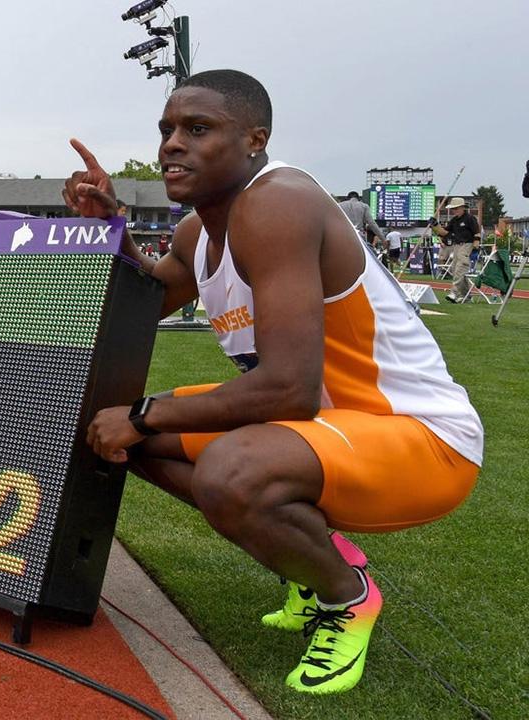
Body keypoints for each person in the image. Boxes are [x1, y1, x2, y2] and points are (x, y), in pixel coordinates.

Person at [63, 69, 482, 695]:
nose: (172, 144)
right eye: (167, 129)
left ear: (255, 140)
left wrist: (145, 413)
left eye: (197, 129)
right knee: (114, 432)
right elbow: (140, 301)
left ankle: (346, 596)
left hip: (419, 436)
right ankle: (308, 557)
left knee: (225, 467)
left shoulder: (278, 202)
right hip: (322, 429)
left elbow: (289, 389)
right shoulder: (196, 232)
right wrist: (109, 228)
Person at [431, 197, 482, 302]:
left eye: (456, 208)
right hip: (456, 246)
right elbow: (444, 232)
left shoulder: (470, 218)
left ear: (462, 208)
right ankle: (466, 296)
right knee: (456, 270)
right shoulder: (454, 220)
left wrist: (476, 244)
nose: (454, 210)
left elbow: (477, 232)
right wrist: (435, 225)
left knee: (460, 268)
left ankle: (454, 292)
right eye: (453, 209)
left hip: (467, 245)